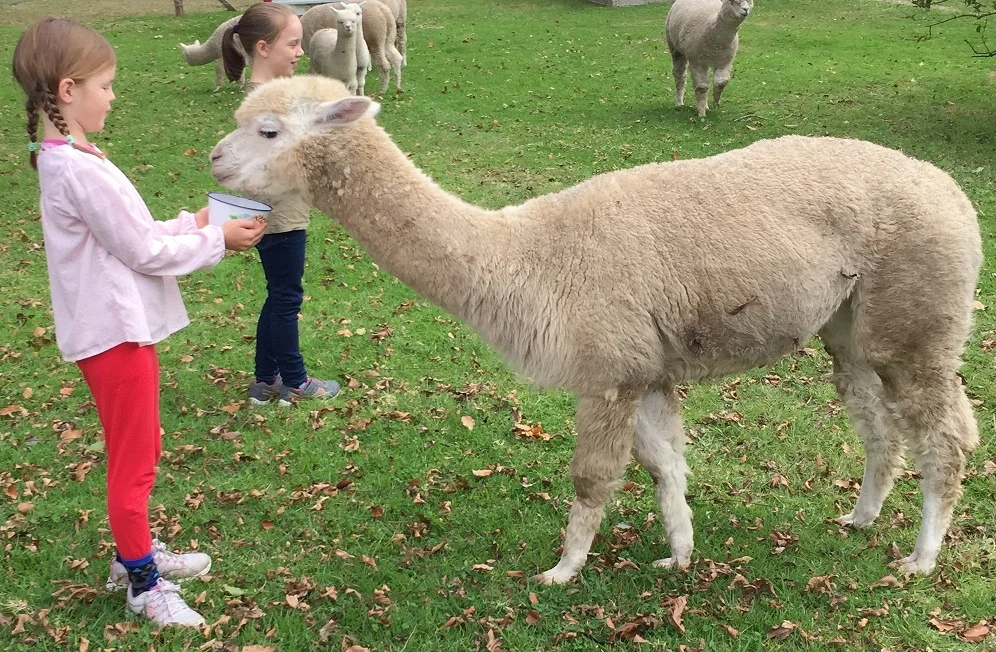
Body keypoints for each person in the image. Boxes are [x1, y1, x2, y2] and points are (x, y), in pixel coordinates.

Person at [12, 17, 267, 627]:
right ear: (68, 90)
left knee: (142, 447)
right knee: (135, 462)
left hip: (117, 330)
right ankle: (141, 582)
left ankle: (136, 556)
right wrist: (217, 241)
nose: (114, 95)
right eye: (106, 85)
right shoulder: (77, 168)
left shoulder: (74, 156)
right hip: (112, 334)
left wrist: (200, 220)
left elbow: (140, 234)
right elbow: (145, 253)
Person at [221, 2, 341, 405]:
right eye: (293, 43)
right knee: (287, 297)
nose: (300, 52)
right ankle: (295, 380)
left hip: (270, 210)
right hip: (280, 214)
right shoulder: (268, 105)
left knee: (278, 294)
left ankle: (264, 380)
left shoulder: (263, 97)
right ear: (263, 48)